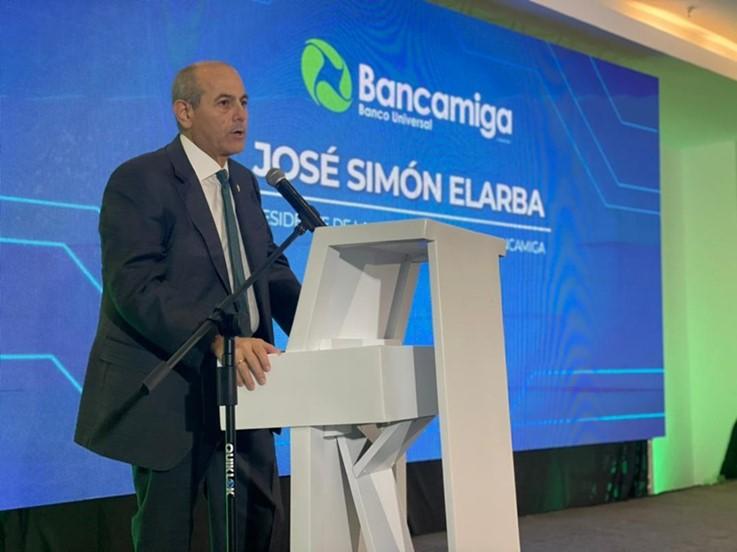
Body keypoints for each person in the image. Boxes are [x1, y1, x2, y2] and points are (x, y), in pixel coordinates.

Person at [74, 61, 301, 551]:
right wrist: (218, 339)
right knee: (167, 533)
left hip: (246, 384)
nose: (240, 114)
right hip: (174, 387)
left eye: (244, 103)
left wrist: (323, 319)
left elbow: (269, 269)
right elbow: (134, 286)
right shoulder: (141, 179)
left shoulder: (244, 183)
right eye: (224, 103)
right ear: (184, 112)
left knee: (258, 522)